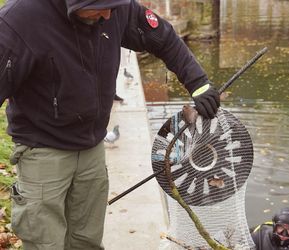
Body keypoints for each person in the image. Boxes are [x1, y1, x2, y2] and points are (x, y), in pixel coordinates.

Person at [0, 0, 220, 249]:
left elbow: (163, 38)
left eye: (113, 6)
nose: (108, 15)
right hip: (42, 151)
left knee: (87, 240)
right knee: (44, 243)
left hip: (92, 148)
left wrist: (198, 83)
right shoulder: (18, 21)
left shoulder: (115, 8)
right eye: (100, 7)